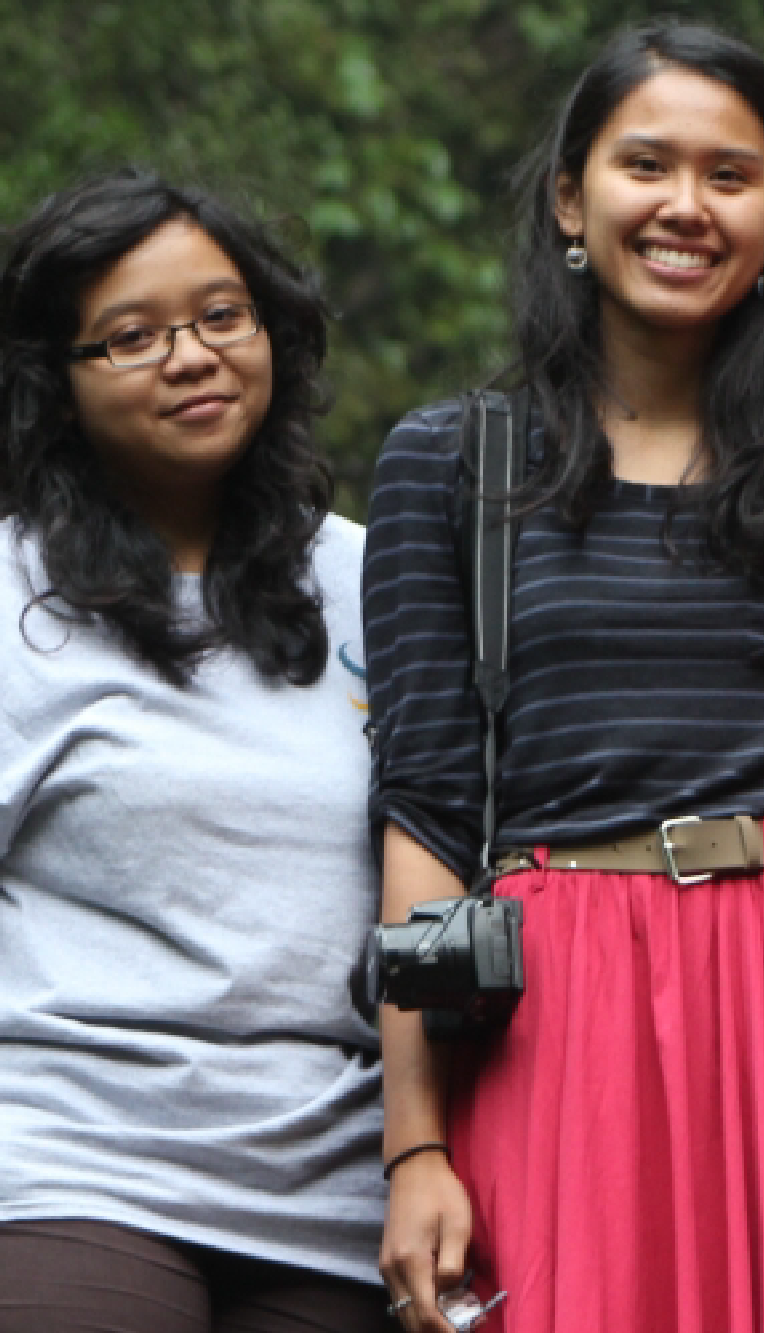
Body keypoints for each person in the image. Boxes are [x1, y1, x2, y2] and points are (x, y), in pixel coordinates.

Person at [363, 19, 764, 1333]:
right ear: (574, 197)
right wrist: (415, 1148)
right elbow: (426, 814)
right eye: (647, 166)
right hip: (562, 1014)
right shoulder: (453, 462)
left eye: (732, 176)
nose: (687, 206)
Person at [0, 170, 387, 1330]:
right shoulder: (13, 593)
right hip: (79, 1163)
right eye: (132, 336)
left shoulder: (377, 580)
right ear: (54, 384)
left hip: (341, 1187)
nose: (192, 355)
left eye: (223, 316)